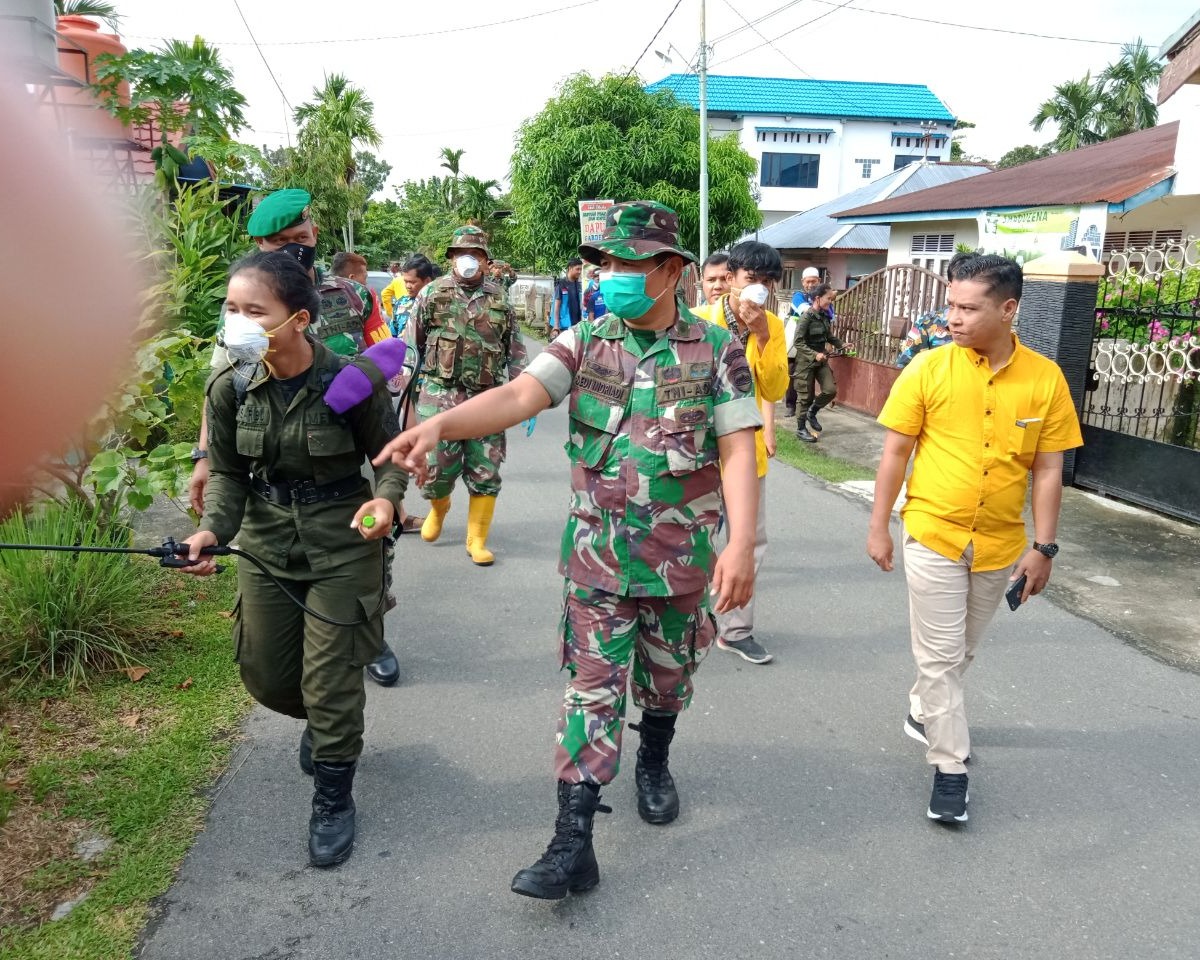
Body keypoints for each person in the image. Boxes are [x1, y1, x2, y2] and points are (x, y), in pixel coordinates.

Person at [373, 200, 761, 900]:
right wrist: (440, 427)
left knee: (666, 682)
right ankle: (572, 839)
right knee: (591, 692)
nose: (612, 275)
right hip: (597, 557)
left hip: (680, 558)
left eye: (629, 263)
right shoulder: (585, 338)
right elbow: (519, 395)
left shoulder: (715, 350)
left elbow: (737, 449)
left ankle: (655, 759)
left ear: (671, 270)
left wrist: (740, 548)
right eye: (606, 263)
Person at [178, 250, 407, 867]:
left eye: (255, 311)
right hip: (265, 542)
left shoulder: (351, 381)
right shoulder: (230, 383)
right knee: (269, 676)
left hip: (343, 541)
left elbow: (390, 459)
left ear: (299, 318)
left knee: (329, 680)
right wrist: (208, 533)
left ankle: (333, 796)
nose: (238, 322)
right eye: (231, 309)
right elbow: (226, 474)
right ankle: (321, 715)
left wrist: (385, 505)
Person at [866, 252, 1083, 825]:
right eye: (950, 305)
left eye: (968, 307)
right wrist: (878, 526)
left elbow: (1047, 469)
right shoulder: (929, 368)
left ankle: (922, 710)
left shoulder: (1045, 380)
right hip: (934, 533)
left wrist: (1046, 547)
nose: (953, 317)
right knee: (938, 656)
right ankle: (950, 768)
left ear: (1008, 310)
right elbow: (895, 452)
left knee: (961, 651)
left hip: (999, 544)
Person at [188, 189, 403, 688]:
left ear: (313, 236)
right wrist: (205, 454)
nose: (291, 251)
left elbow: (384, 362)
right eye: (277, 243)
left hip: (345, 457)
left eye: (298, 239)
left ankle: (367, 634)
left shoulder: (350, 294)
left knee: (365, 563)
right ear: (261, 246)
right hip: (272, 457)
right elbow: (222, 384)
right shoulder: (245, 307)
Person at [692, 241, 789, 666]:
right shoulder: (695, 322)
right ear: (729, 279)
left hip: (747, 457)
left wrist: (764, 337)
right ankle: (686, 619)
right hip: (696, 452)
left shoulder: (772, 326)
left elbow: (775, 390)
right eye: (753, 279)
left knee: (748, 541)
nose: (760, 289)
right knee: (694, 537)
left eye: (768, 281)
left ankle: (736, 630)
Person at [410, 225, 528, 565]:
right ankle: (439, 506)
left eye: (476, 254)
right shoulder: (431, 293)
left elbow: (515, 350)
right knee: (436, 471)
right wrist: (407, 392)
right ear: (450, 258)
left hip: (487, 398)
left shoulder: (500, 299)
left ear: (486, 261)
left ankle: (476, 539)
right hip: (438, 395)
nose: (468, 260)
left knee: (486, 470)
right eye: (462, 254)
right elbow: (410, 346)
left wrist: (523, 396)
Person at [791, 283, 843, 443]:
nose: (830, 302)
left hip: (821, 361)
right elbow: (798, 342)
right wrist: (814, 354)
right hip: (805, 362)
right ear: (818, 298)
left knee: (830, 390)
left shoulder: (824, 316)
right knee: (805, 397)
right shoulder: (806, 317)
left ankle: (812, 412)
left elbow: (829, 336)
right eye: (828, 299)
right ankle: (800, 429)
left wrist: (841, 344)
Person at [785, 266, 829, 416]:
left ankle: (806, 406)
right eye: (808, 281)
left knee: (810, 372)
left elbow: (831, 315)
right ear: (803, 282)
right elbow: (806, 311)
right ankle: (791, 404)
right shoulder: (798, 296)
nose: (811, 285)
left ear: (819, 281)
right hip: (795, 341)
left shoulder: (824, 298)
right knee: (793, 372)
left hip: (815, 342)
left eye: (814, 281)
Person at [548, 257, 583, 337]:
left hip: (576, 324)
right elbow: (556, 307)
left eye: (581, 269)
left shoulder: (578, 285)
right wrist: (556, 326)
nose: (579, 272)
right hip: (563, 325)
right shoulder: (561, 284)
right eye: (577, 269)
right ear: (570, 268)